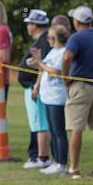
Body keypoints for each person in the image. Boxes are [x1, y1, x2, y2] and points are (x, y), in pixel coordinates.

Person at [62, 5, 93, 179]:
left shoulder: (76, 37)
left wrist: (65, 77)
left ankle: (74, 168)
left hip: (81, 86)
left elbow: (67, 57)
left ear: (76, 22)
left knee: (76, 128)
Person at [30, 25, 69, 175]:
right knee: (52, 130)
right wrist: (38, 60)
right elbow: (45, 67)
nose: (47, 40)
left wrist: (40, 63)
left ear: (54, 39)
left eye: (49, 37)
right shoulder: (53, 51)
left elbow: (56, 71)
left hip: (57, 98)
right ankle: (55, 161)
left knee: (59, 131)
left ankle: (62, 163)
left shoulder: (62, 52)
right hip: (48, 97)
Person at [19, 9, 52, 169]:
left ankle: (42, 157)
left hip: (36, 88)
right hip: (31, 88)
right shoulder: (40, 40)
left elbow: (42, 66)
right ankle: (38, 155)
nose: (27, 27)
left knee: (40, 123)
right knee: (37, 123)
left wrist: (36, 86)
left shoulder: (44, 42)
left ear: (36, 25)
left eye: (29, 24)